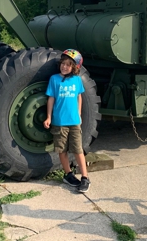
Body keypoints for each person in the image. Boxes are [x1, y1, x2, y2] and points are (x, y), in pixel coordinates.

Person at [43, 49, 90, 193]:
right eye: (63, 64)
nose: (64, 67)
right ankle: (68, 174)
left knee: (77, 149)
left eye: (68, 65)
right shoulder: (54, 79)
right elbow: (51, 98)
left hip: (74, 121)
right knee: (62, 150)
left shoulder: (77, 80)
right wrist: (49, 117)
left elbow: (79, 97)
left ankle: (84, 177)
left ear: (74, 68)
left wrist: (79, 114)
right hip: (59, 122)